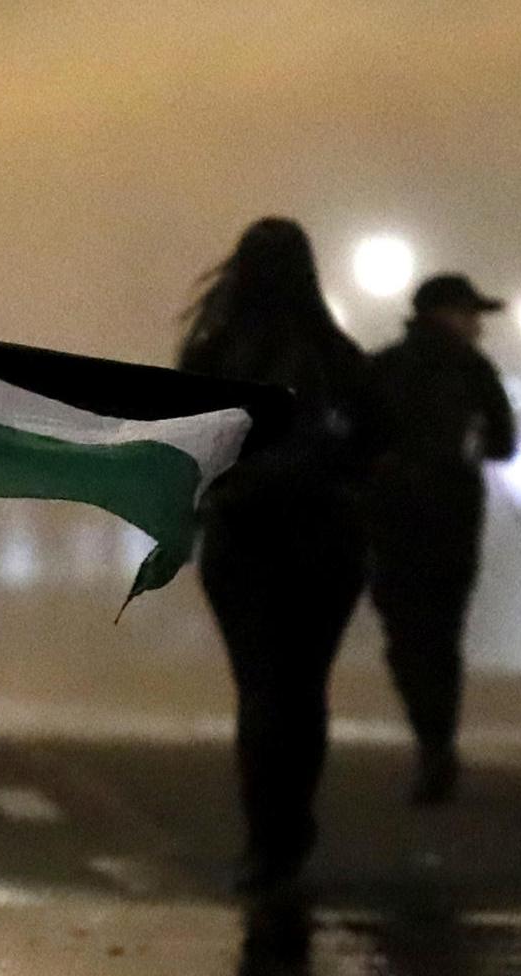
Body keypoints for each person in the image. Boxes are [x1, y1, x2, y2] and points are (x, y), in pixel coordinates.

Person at [178, 217, 370, 894]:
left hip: (243, 537)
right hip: (326, 541)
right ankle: (292, 825)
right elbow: (375, 439)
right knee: (305, 686)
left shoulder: (213, 352)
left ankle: (266, 837)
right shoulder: (337, 356)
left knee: (259, 687)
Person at [363, 274, 517, 805]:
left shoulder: (383, 366)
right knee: (443, 635)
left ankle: (430, 737)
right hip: (453, 517)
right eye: (471, 315)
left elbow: (355, 439)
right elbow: (504, 443)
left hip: (391, 520)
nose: (478, 327)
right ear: (447, 315)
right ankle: (438, 742)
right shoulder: (474, 371)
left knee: (404, 635)